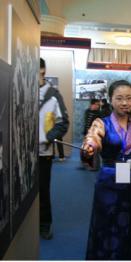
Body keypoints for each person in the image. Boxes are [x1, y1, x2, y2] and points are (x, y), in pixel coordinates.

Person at [81, 80, 131, 260]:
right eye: (119, 98)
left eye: (129, 98)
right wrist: (89, 147)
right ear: (111, 100)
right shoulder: (102, 123)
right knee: (107, 226)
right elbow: (92, 138)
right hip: (109, 184)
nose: (124, 103)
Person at [39, 58, 69, 239]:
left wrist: (47, 139)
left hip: (43, 153)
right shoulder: (19, 89)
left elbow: (63, 123)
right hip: (18, 152)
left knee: (42, 190)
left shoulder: (53, 95)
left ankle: (44, 223)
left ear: (42, 70)